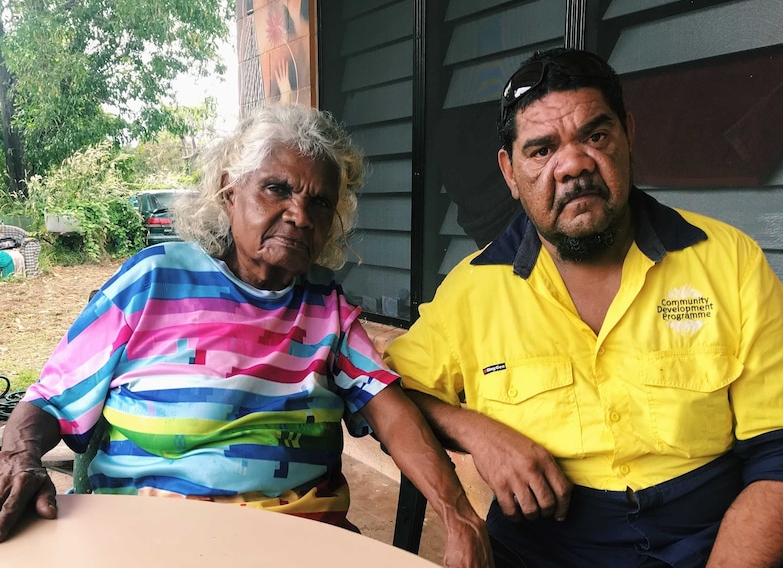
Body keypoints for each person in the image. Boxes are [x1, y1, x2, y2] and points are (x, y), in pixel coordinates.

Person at [384, 48, 783, 567]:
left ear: (629, 135)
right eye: (540, 150)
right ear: (509, 173)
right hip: (547, 544)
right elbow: (385, 393)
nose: (574, 165)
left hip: (720, 532)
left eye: (596, 136)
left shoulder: (727, 261)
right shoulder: (473, 291)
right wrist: (478, 437)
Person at [0, 105, 492, 567]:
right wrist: (20, 456)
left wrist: (459, 514)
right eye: (277, 189)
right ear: (229, 191)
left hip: (300, 545)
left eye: (319, 202)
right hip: (153, 543)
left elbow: (391, 412)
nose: (300, 215)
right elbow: (50, 398)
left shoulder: (326, 309)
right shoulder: (152, 282)